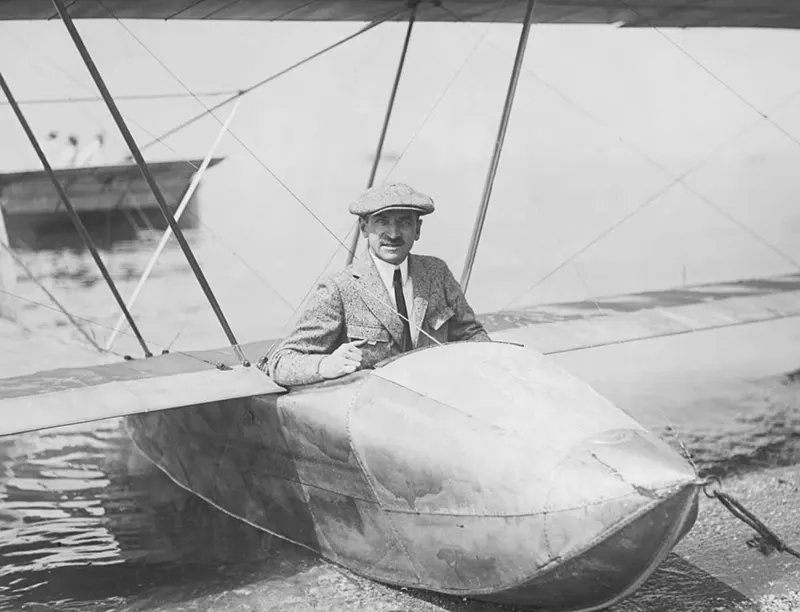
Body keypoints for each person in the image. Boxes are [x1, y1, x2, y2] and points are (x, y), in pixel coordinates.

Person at [263, 182, 491, 387]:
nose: (393, 234)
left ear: (418, 229)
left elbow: (472, 335)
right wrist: (326, 364)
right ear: (364, 228)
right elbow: (280, 362)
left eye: (404, 222)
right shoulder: (339, 288)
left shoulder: (437, 272)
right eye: (382, 222)